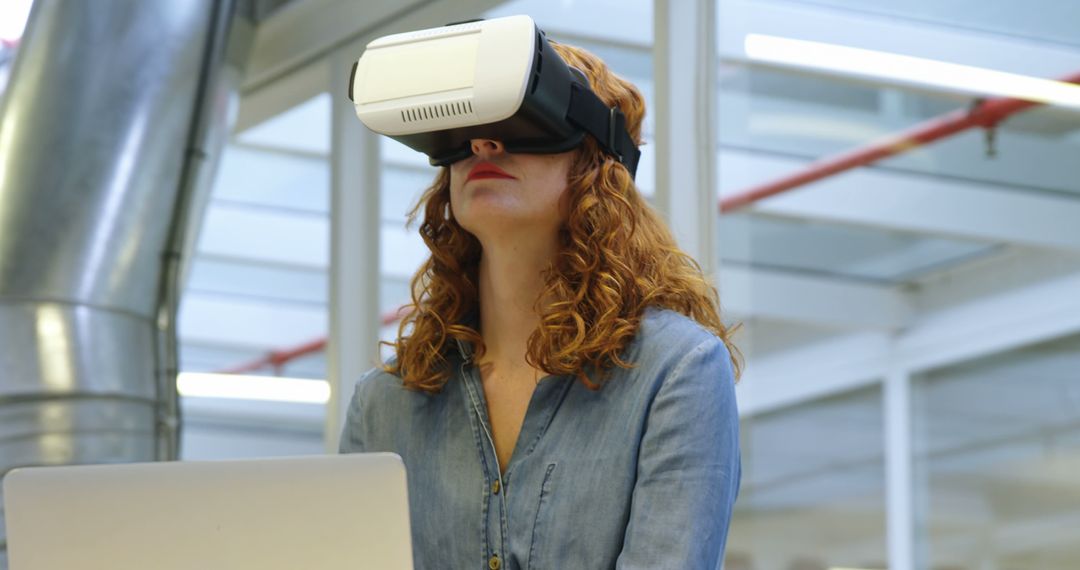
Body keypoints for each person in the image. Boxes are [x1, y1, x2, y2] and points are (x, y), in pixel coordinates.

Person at [340, 40, 742, 570]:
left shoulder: (676, 373)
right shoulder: (383, 403)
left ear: (598, 161)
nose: (483, 143)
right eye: (463, 130)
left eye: (523, 121)